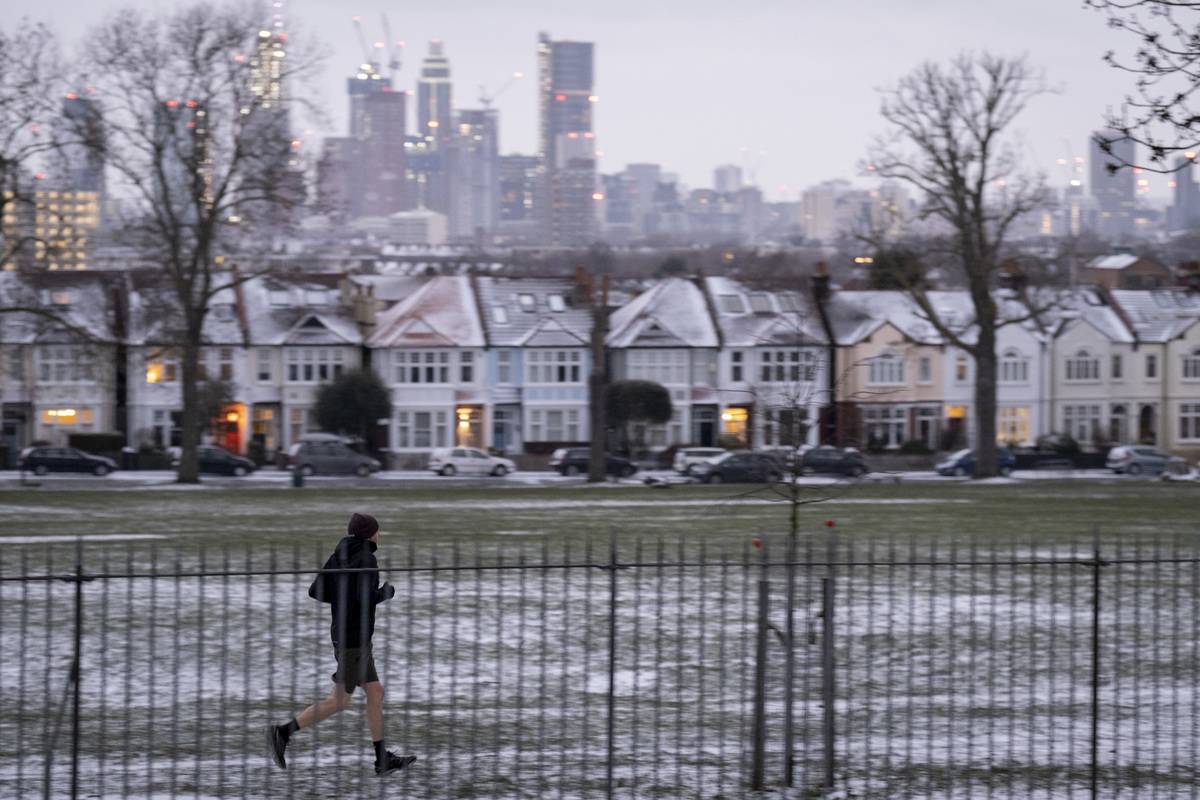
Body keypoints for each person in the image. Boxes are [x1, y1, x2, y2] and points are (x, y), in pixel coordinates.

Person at [267, 512, 416, 776]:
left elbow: (316, 591)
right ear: (370, 533)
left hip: (345, 636)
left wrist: (342, 599)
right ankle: (282, 733)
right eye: (377, 531)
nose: (378, 535)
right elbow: (365, 598)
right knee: (338, 702)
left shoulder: (340, 553)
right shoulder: (367, 558)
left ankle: (382, 759)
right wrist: (385, 592)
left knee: (375, 693)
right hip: (354, 642)